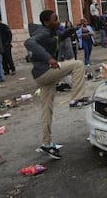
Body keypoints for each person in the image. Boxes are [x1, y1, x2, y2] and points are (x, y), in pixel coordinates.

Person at [24, 10, 90, 159]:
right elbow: (29, 42)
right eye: (55, 19)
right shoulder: (43, 32)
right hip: (45, 72)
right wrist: (49, 58)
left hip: (43, 75)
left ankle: (46, 144)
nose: (58, 21)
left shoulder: (52, 31)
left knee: (46, 109)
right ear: (46, 22)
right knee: (78, 64)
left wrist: (76, 27)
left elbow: (63, 34)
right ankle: (77, 98)